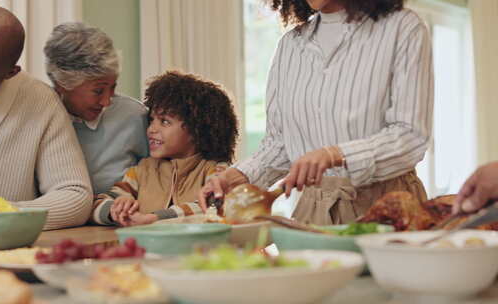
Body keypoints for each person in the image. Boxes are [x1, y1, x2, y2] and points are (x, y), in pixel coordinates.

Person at [200, 0, 434, 225]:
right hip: (313, 213)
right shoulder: (290, 46)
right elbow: (281, 144)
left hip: (390, 208)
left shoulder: (403, 28)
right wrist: (238, 176)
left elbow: (411, 136)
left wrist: (337, 154)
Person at [0, 7, 92, 229]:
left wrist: (3, 213)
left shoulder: (41, 102)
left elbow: (76, 197)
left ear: (11, 72)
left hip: (5, 252)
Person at [92, 71, 239, 226]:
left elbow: (209, 206)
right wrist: (116, 209)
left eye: (165, 121)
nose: (151, 129)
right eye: (152, 120)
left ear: (197, 130)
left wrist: (154, 219)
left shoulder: (216, 171)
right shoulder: (141, 171)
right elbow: (96, 204)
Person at [44, 22, 149, 195]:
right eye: (98, 91)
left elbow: (164, 176)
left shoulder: (134, 116)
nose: (107, 101)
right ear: (62, 84)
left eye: (113, 88)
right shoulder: (40, 119)